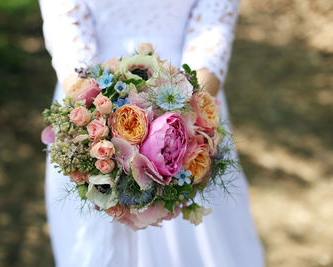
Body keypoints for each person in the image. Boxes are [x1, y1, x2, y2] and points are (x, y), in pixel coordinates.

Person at [39, 0, 265, 266]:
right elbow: (66, 19)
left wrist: (187, 115)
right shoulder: (90, 103)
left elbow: (213, 20)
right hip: (92, 93)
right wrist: (94, 111)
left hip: (188, 86)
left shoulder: (190, 99)